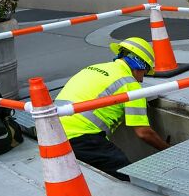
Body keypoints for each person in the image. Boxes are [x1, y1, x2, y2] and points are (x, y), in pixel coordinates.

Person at [56, 37, 169, 181]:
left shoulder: (94, 68)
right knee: (128, 177)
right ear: (138, 65)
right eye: (145, 72)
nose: (142, 79)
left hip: (54, 130)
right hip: (82, 138)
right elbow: (144, 133)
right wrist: (168, 149)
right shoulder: (131, 85)